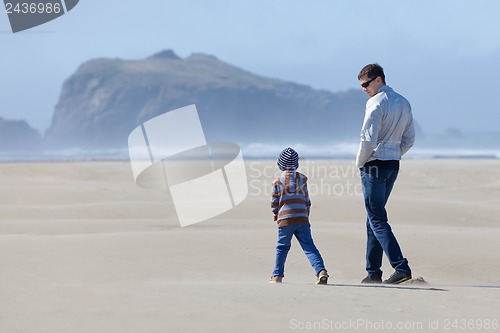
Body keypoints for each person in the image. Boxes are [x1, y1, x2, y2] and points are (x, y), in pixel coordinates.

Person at [356, 63, 415, 285]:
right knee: (374, 217)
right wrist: (394, 154)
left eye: (365, 84)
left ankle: (401, 267)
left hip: (374, 164)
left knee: (377, 218)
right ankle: (373, 272)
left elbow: (367, 140)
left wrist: (360, 162)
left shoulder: (375, 102)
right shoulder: (404, 102)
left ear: (378, 80)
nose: (364, 89)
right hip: (392, 164)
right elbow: (409, 139)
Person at [269, 147, 329, 285]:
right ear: (296, 164)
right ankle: (321, 272)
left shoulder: (277, 181)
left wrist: (275, 215)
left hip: (285, 220)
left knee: (282, 248)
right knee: (309, 246)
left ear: (280, 165)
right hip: (302, 219)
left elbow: (274, 203)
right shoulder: (302, 179)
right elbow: (307, 201)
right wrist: (306, 215)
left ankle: (277, 276)